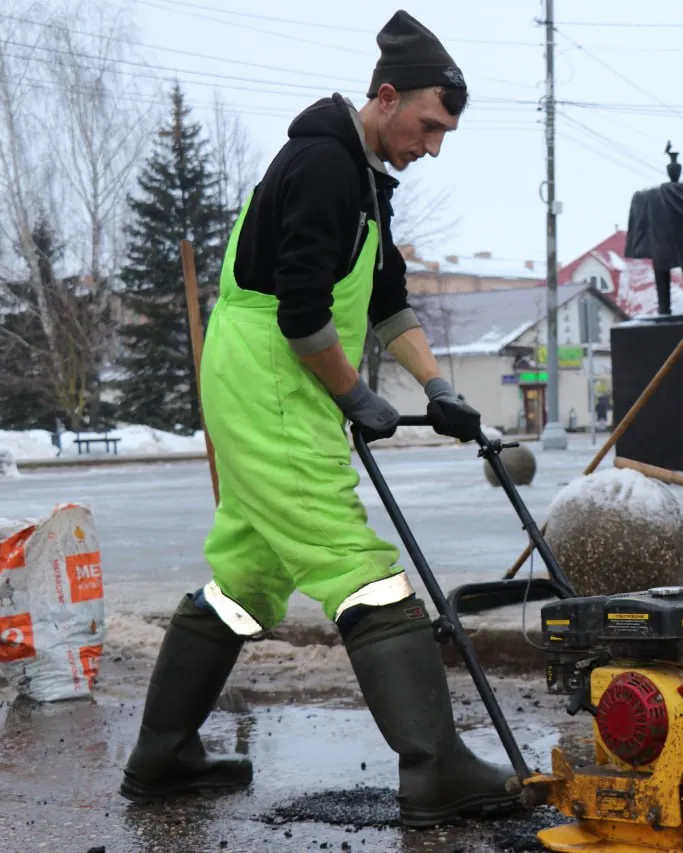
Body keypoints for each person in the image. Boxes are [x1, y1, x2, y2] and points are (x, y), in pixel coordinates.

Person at [119, 10, 522, 827]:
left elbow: (385, 297)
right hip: (273, 376)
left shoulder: (367, 180)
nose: (433, 145)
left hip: (271, 376)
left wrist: (439, 387)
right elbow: (305, 314)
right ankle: (434, 763)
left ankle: (162, 754)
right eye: (429, 125)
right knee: (356, 560)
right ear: (385, 98)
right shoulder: (325, 167)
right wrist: (354, 395)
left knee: (246, 575)